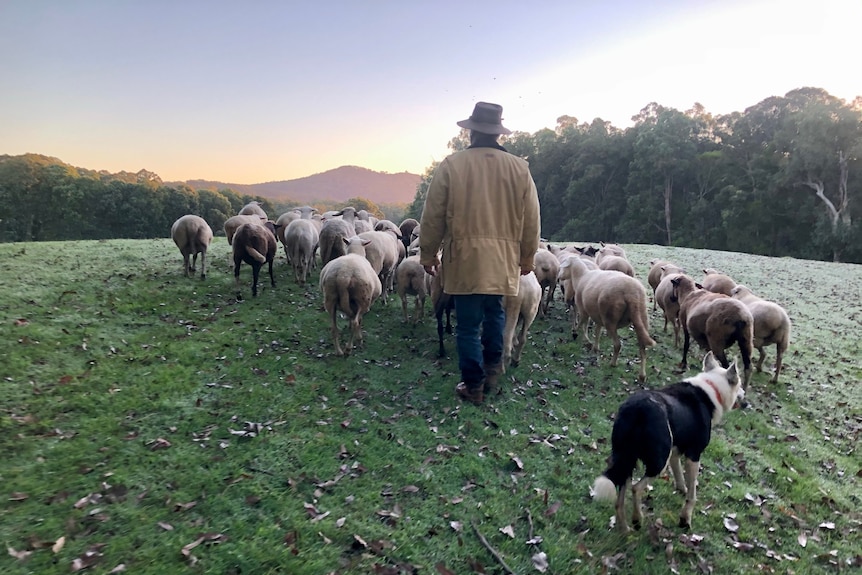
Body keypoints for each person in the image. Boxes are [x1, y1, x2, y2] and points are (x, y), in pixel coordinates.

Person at [419, 101, 541, 405]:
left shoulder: (452, 165)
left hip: (465, 258)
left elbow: (433, 215)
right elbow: (532, 218)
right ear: (498, 132)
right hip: (503, 259)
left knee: (468, 324)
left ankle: (473, 386)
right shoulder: (520, 168)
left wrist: (428, 254)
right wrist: (528, 257)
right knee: (495, 314)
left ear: (471, 131)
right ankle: (492, 371)